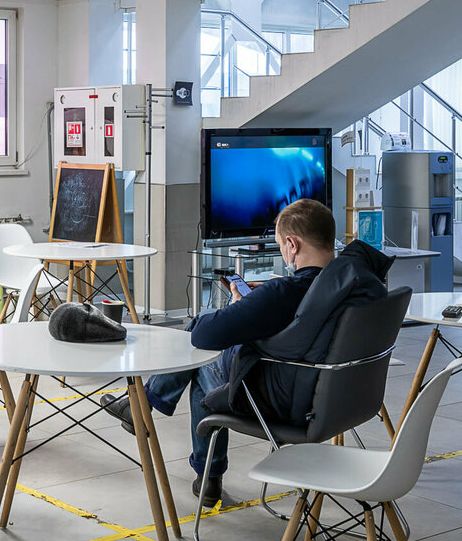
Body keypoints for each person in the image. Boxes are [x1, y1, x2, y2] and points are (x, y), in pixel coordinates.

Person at [101, 199, 391, 506]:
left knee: (203, 354)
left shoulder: (285, 292)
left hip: (281, 401)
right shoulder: (356, 286)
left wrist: (244, 306)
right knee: (208, 357)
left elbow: (204, 334)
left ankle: (171, 434)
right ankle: (157, 419)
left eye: (280, 245)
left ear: (292, 244)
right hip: (338, 401)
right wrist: (253, 306)